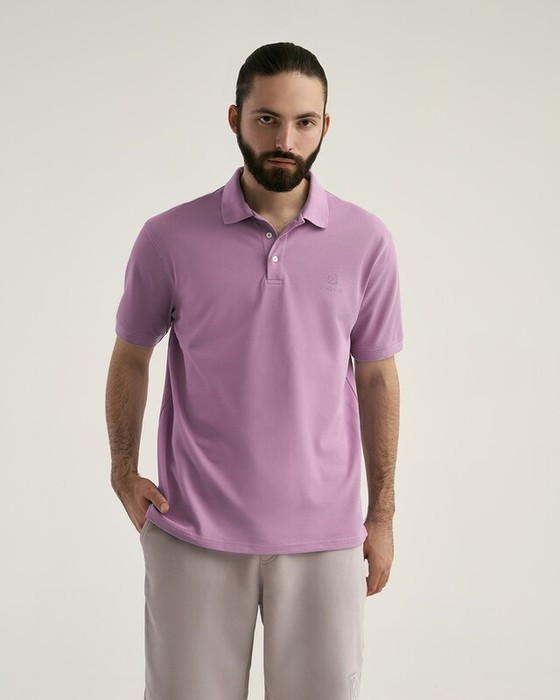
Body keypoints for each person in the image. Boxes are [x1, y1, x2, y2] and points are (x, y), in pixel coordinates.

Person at [105, 41, 403, 700]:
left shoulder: (367, 241)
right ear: (236, 118)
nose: (284, 140)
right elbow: (130, 355)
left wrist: (381, 515)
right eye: (267, 118)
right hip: (194, 532)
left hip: (326, 538)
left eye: (303, 121)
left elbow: (378, 378)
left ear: (324, 126)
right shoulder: (169, 237)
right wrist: (123, 470)